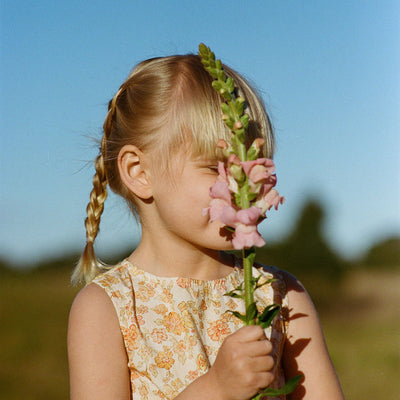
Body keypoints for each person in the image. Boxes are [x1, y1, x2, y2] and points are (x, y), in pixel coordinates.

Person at [67, 53, 344, 400]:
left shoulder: (282, 295)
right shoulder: (106, 308)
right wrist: (215, 389)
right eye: (216, 168)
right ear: (139, 172)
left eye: (252, 164)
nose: (242, 185)